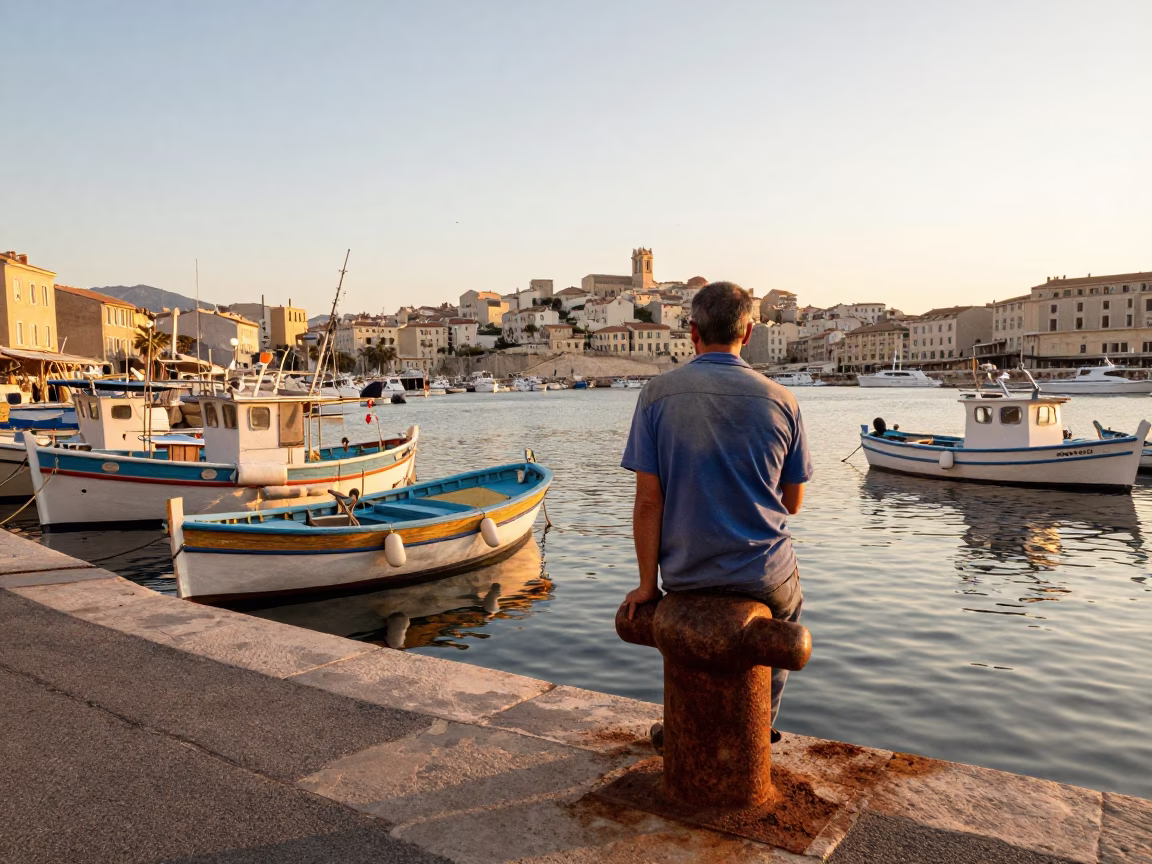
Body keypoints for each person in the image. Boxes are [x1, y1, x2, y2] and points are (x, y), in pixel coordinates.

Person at [620, 281, 813, 745]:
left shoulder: (656, 395)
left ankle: (684, 725)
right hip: (763, 573)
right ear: (747, 333)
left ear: (692, 332)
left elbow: (649, 502)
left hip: (688, 573)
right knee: (788, 613)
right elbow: (792, 503)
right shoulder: (782, 399)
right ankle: (758, 727)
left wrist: (649, 586)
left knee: (683, 636)